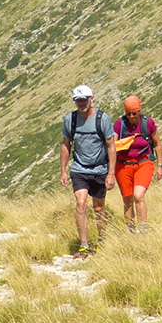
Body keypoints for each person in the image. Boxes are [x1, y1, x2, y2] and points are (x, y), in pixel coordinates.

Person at [60, 84, 115, 257]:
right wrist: (63, 171)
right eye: (78, 101)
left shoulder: (102, 119)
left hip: (99, 169)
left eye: (84, 100)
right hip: (79, 168)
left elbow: (111, 146)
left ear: (92, 99)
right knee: (81, 203)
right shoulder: (70, 120)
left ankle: (101, 241)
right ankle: (84, 244)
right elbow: (66, 145)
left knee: (99, 208)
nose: (81, 103)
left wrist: (111, 173)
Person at [114, 95, 162, 231]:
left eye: (134, 113)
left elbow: (157, 144)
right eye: (128, 114)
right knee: (127, 199)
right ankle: (130, 229)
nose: (131, 116)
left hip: (144, 162)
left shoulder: (148, 123)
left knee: (138, 195)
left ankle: (142, 228)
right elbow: (113, 146)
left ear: (139, 111)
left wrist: (160, 165)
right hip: (123, 165)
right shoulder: (120, 124)